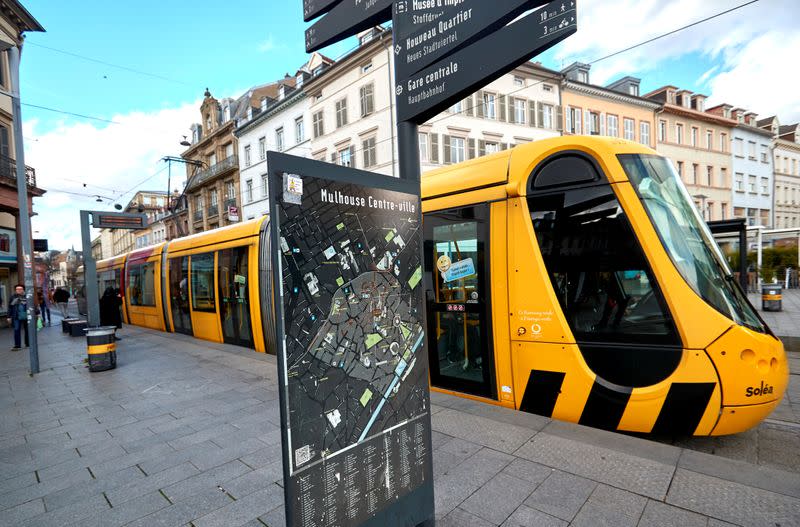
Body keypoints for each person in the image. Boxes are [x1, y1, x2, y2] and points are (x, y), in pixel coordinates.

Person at [8, 284, 29, 350]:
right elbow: (10, 307)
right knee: (16, 330)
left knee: (27, 330)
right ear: (15, 290)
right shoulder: (13, 297)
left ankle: (28, 343)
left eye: (20, 289)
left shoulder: (27, 296)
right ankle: (17, 345)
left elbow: (33, 305)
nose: (19, 290)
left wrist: (37, 313)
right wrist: (9, 316)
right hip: (16, 316)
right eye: (17, 289)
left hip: (26, 315)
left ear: (23, 290)